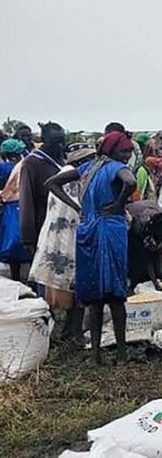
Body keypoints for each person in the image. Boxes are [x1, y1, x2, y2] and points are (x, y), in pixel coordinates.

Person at [47, 131, 137, 365]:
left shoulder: (87, 168)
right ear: (112, 150)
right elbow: (130, 182)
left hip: (88, 230)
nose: (127, 155)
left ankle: (95, 354)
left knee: (94, 295)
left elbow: (52, 183)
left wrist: (77, 207)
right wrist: (118, 204)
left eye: (129, 151)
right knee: (115, 294)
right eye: (124, 150)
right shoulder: (116, 167)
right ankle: (121, 354)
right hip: (111, 231)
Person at [30, 143, 96, 342]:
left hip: (56, 237)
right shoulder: (72, 176)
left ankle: (60, 330)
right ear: (82, 160)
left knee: (59, 283)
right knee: (75, 283)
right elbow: (78, 208)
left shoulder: (63, 173)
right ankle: (72, 331)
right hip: (69, 238)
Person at [19, 122, 67, 266]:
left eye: (62, 141)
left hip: (63, 224)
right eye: (56, 142)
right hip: (43, 223)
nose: (60, 146)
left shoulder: (62, 160)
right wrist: (28, 238)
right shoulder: (32, 163)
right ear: (44, 141)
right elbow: (27, 200)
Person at [0, 139, 33, 281]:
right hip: (26, 204)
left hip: (9, 207)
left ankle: (15, 277)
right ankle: (31, 278)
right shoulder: (25, 166)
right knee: (28, 240)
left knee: (11, 241)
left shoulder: (3, 168)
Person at [126, 201, 162, 291]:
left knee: (157, 258)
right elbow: (147, 257)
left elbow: (159, 252)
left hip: (149, 212)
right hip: (133, 222)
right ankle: (134, 283)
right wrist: (155, 282)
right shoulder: (139, 224)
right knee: (136, 259)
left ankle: (158, 276)